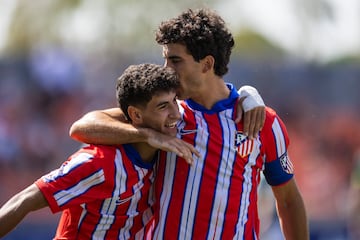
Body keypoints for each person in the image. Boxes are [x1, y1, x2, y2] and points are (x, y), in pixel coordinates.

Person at [69, 8, 309, 239]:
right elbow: (83, 127)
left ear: (206, 64)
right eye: (165, 60)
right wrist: (146, 135)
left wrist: (249, 93)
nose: (166, 71)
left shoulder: (261, 121)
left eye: (175, 61)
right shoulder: (166, 116)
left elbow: (288, 200)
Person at [0, 63, 195, 239]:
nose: (176, 114)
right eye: (162, 106)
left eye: (174, 102)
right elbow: (24, 200)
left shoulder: (166, 157)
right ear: (135, 115)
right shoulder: (101, 163)